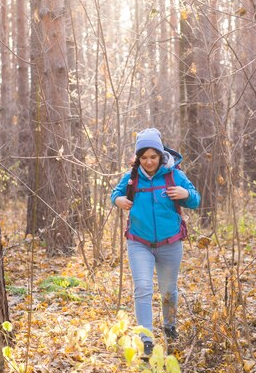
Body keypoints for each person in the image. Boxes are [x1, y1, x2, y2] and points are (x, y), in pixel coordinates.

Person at [111, 128, 201, 357]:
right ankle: (146, 340)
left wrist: (185, 194)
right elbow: (115, 194)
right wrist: (119, 199)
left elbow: (195, 199)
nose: (149, 162)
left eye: (153, 156)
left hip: (170, 243)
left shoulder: (173, 175)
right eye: (144, 157)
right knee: (142, 288)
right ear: (138, 158)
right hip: (139, 241)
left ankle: (170, 326)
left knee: (168, 291)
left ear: (160, 155)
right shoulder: (132, 177)